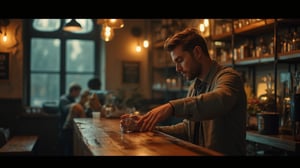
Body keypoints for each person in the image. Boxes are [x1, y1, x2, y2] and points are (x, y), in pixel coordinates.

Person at [132, 28, 247, 155]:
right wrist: (150, 128)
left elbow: (219, 99)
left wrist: (172, 107)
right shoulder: (194, 86)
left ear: (197, 52)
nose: (177, 68)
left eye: (180, 60)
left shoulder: (229, 77)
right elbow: (188, 129)